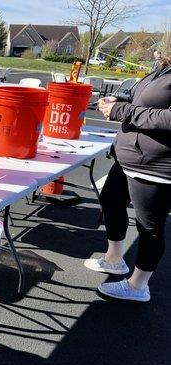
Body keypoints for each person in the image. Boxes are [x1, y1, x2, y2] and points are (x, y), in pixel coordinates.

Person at [84, 51, 171, 302]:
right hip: (129, 158)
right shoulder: (162, 69)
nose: (156, 50)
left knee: (149, 227)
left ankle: (138, 286)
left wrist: (124, 111)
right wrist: (119, 100)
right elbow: (143, 100)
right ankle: (114, 259)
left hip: (156, 166)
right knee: (111, 199)